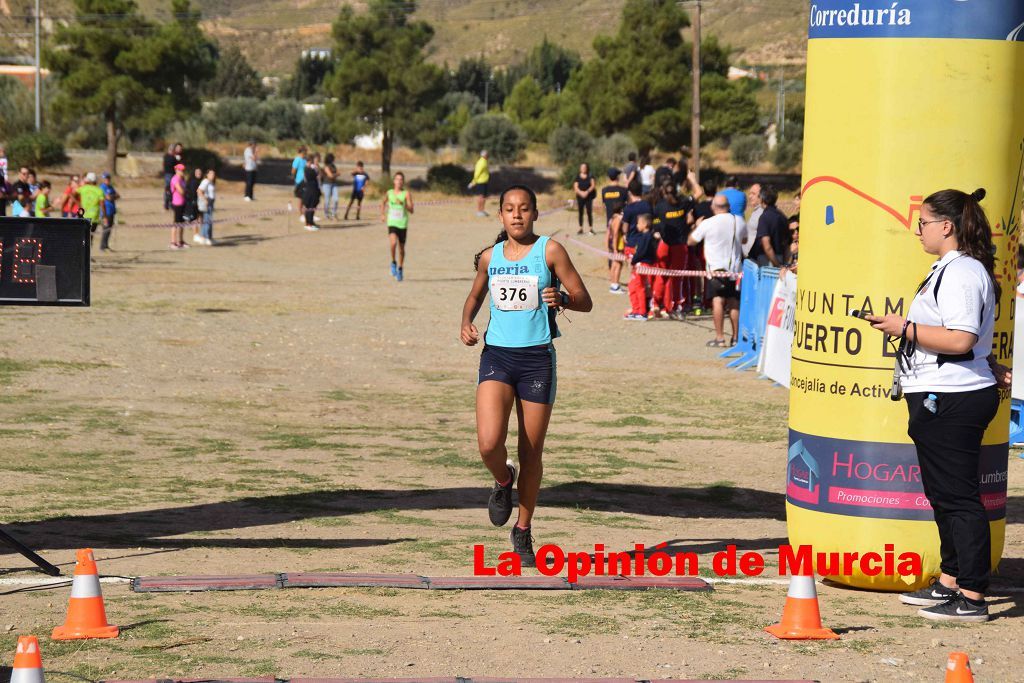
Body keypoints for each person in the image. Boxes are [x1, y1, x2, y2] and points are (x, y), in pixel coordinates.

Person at [865, 188, 1010, 623]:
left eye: (924, 222)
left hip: (953, 396)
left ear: (946, 226)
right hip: (941, 393)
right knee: (943, 494)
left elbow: (960, 339)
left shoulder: (963, 271)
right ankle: (951, 580)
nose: (918, 231)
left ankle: (973, 595)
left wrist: (902, 327)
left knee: (959, 497)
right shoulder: (953, 269)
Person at [460, 185, 592, 566]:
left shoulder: (549, 251)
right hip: (497, 357)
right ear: (500, 215)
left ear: (535, 214)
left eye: (524, 209)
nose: (516, 215)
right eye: (509, 209)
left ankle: (522, 529)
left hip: (537, 360)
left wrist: (563, 299)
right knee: (488, 444)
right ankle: (503, 480)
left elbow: (584, 298)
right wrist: (466, 322)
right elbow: (474, 297)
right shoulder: (490, 258)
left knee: (531, 451)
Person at [688, 193, 746, 346]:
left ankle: (720, 338)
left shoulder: (708, 223)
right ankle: (735, 338)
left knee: (718, 301)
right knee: (734, 302)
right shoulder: (738, 221)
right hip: (735, 269)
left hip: (716, 270)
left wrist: (696, 225)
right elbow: (745, 239)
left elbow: (691, 241)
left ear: (713, 207)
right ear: (728, 207)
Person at [652, 181, 692, 319]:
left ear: (663, 191)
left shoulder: (660, 206)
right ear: (676, 190)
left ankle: (656, 304)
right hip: (679, 245)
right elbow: (698, 194)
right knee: (677, 278)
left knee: (661, 275)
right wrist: (691, 179)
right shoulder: (683, 202)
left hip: (664, 244)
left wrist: (657, 231)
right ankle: (675, 307)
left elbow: (654, 220)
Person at [625, 213, 658, 321]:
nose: (637, 225)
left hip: (642, 264)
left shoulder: (646, 237)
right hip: (643, 264)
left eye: (638, 223)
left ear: (645, 224)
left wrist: (633, 261)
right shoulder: (648, 236)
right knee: (633, 286)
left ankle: (641, 311)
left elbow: (641, 252)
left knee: (638, 287)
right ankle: (636, 309)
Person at [747, 185, 790, 267]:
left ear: (762, 199)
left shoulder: (764, 217)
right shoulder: (783, 217)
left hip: (767, 260)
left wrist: (776, 265)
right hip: (780, 257)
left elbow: (766, 245)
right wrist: (783, 263)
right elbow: (787, 244)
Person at [381, 171, 413, 280]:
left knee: (401, 249)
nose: (399, 181)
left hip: (402, 224)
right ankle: (393, 262)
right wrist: (382, 215)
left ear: (403, 182)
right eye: (397, 179)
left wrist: (404, 204)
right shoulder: (389, 193)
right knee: (393, 243)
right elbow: (383, 203)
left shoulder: (406, 194)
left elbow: (411, 209)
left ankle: (400, 267)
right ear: (394, 181)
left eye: (401, 180)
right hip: (392, 222)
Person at [600, 169, 626, 294]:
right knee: (617, 255)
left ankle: (613, 280)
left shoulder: (604, 190)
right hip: (619, 224)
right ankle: (614, 283)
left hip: (609, 222)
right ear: (617, 177)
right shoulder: (623, 191)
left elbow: (604, 205)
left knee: (611, 254)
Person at [75, 173, 106, 247]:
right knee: (90, 237)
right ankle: (87, 256)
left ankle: (82, 255)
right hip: (94, 217)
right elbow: (102, 205)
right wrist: (105, 216)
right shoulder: (99, 190)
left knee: (82, 236)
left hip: (83, 216)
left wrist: (79, 204)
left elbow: (72, 194)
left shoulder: (83, 188)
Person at [572, 162, 596, 235]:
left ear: (587, 168)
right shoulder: (577, 177)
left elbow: (593, 185)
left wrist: (587, 192)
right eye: (582, 167)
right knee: (580, 213)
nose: (583, 169)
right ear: (580, 168)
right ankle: (580, 228)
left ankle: (591, 229)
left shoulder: (590, 176)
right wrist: (581, 193)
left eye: (585, 167)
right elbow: (575, 187)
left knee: (589, 212)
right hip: (580, 197)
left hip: (589, 197)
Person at [169, 164, 188, 249]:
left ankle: (180, 241)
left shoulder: (182, 179)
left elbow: (185, 189)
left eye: (183, 170)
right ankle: (173, 242)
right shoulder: (175, 179)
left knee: (182, 223)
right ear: (176, 170)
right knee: (176, 223)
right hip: (177, 203)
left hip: (183, 202)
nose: (182, 172)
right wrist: (187, 192)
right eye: (180, 170)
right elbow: (181, 191)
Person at [99, 172, 119, 251]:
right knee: (105, 228)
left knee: (109, 229)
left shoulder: (111, 187)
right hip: (105, 211)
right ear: (103, 179)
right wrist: (112, 196)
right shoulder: (102, 187)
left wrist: (112, 196)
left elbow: (118, 195)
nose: (107, 180)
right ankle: (102, 246)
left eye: (108, 178)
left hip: (112, 210)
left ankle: (106, 245)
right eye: (106, 178)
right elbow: (108, 198)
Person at [302, 153, 322, 231]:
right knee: (309, 207)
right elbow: (316, 176)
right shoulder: (308, 169)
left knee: (312, 207)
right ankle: (308, 223)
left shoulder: (310, 169)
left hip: (314, 189)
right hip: (310, 190)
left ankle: (311, 222)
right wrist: (317, 171)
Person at [197, 169, 216, 245]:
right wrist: (205, 200)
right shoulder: (205, 181)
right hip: (207, 202)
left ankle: (209, 237)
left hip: (211, 202)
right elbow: (199, 191)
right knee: (207, 219)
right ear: (207, 174)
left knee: (209, 220)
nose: (213, 176)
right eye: (211, 174)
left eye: (214, 174)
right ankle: (204, 237)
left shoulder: (211, 182)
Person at [744, 183, 763, 256]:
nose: (750, 196)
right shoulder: (756, 211)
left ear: (761, 196)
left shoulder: (762, 212)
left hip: (755, 259)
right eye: (749, 194)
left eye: (753, 194)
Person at [470, 150, 490, 217]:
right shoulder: (481, 162)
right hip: (480, 182)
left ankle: (482, 210)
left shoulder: (484, 161)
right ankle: (479, 211)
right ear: (484, 155)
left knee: (483, 197)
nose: (488, 156)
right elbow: (477, 173)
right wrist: (473, 182)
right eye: (487, 154)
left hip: (484, 182)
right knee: (481, 197)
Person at [162, 143, 182, 210]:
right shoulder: (169, 157)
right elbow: (173, 165)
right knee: (169, 190)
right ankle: (167, 204)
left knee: (170, 190)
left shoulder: (169, 156)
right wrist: (176, 160)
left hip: (170, 175)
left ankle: (169, 204)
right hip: (169, 175)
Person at [187, 167, 203, 244]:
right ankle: (195, 235)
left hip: (198, 202)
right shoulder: (194, 182)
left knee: (199, 219)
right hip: (194, 203)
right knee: (195, 219)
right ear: (194, 173)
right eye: (197, 172)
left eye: (200, 172)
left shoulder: (198, 181)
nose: (199, 174)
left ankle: (199, 234)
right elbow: (193, 193)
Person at [292, 145, 308, 221]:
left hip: (306, 181)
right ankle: (301, 214)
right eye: (305, 151)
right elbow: (293, 171)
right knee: (300, 198)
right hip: (299, 181)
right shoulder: (297, 159)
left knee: (306, 198)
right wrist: (296, 179)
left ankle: (306, 213)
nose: (306, 153)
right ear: (302, 151)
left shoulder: (305, 160)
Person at [320, 153, 338, 220]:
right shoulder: (326, 166)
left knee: (336, 199)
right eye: (333, 158)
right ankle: (326, 214)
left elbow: (333, 174)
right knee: (327, 200)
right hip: (326, 184)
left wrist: (335, 174)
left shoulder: (333, 166)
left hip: (334, 184)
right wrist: (337, 174)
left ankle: (334, 213)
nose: (334, 160)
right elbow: (330, 175)